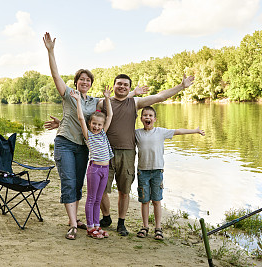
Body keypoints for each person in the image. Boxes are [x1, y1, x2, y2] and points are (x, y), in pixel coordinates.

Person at [43, 32, 145, 240]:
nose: (84, 82)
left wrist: (133, 92)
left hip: (82, 146)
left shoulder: (93, 102)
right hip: (65, 144)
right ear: (76, 81)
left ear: (91, 84)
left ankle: (76, 219)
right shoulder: (69, 95)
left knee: (78, 184)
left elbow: (113, 102)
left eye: (88, 80)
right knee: (69, 182)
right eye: (81, 79)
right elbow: (55, 76)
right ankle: (73, 224)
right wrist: (51, 52)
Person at [98, 73, 195, 236]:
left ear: (129, 88)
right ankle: (106, 217)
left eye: (125, 85)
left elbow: (159, 97)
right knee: (101, 189)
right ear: (113, 85)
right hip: (105, 152)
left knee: (124, 191)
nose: (122, 87)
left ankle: (121, 223)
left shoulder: (134, 102)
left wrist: (181, 86)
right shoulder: (103, 102)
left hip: (127, 153)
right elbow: (87, 115)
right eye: (119, 84)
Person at [135, 106, 205, 240]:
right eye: (145, 115)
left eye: (150, 116)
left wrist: (195, 131)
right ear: (141, 119)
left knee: (156, 200)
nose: (148, 118)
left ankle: (158, 227)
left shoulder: (161, 132)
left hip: (157, 171)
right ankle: (144, 226)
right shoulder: (137, 133)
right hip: (142, 171)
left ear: (155, 119)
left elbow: (178, 131)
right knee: (144, 200)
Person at [70, 87, 114, 239]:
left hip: (105, 169)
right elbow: (81, 118)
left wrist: (107, 98)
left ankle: (96, 225)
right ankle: (90, 228)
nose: (96, 127)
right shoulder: (89, 135)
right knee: (91, 198)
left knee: (98, 198)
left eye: (99, 125)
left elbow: (110, 116)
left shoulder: (103, 133)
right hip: (94, 169)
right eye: (94, 124)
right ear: (90, 124)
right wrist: (77, 101)